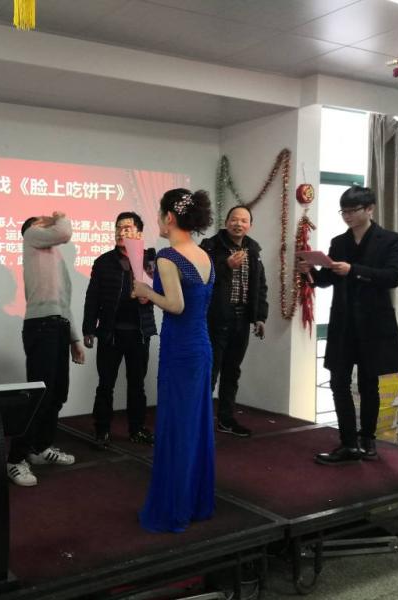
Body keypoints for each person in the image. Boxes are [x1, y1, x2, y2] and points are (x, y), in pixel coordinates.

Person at [298, 185, 398, 464]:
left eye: (352, 210)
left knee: (370, 384)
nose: (347, 216)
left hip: (374, 324)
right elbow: (327, 280)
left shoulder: (390, 240)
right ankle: (348, 443)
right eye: (343, 211)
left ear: (369, 209)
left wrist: (354, 270)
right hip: (343, 323)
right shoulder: (339, 242)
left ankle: (368, 440)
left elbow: (393, 276)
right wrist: (309, 272)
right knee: (338, 382)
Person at [133, 188, 215, 533]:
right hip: (201, 346)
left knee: (177, 427)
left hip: (180, 350)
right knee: (194, 426)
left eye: (159, 214)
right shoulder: (203, 254)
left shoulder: (169, 256)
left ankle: (175, 507)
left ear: (169, 217)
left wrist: (145, 291)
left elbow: (176, 305)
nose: (157, 220)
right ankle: (195, 501)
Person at [7, 212, 85, 487]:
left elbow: (64, 302)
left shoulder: (55, 257)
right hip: (41, 326)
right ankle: (15, 459)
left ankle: (39, 447)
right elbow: (64, 231)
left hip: (58, 326)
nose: (46, 221)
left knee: (57, 393)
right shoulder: (31, 236)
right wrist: (60, 216)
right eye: (40, 220)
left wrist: (74, 339)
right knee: (39, 395)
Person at [82, 212, 157, 447]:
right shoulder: (104, 261)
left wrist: (149, 294)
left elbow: (158, 293)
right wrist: (88, 328)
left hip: (139, 332)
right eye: (118, 228)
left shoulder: (150, 260)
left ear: (139, 233)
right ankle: (102, 430)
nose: (121, 232)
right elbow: (92, 298)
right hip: (110, 333)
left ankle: (137, 429)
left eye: (127, 228)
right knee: (106, 384)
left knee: (137, 385)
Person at [200, 205, 268, 437]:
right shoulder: (210, 247)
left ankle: (226, 420)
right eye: (234, 219)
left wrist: (260, 317)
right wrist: (226, 266)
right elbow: (200, 278)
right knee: (210, 372)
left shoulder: (253, 250)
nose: (238, 224)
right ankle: (199, 421)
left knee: (232, 371)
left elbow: (260, 286)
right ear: (226, 221)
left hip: (242, 319)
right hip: (216, 318)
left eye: (244, 221)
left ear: (250, 225)